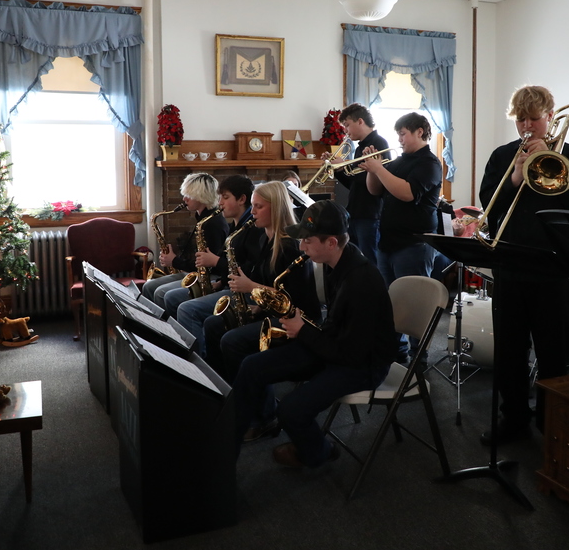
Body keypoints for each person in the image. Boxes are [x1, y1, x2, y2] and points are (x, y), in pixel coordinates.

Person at [232, 200, 400, 469]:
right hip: (336, 346)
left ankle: (319, 452)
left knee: (290, 410)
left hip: (363, 365)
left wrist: (302, 331)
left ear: (331, 242)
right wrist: (303, 327)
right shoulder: (340, 263)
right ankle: (229, 441)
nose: (301, 247)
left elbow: (351, 354)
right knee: (252, 365)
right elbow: (336, 331)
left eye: (307, 241)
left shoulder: (362, 283)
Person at [479, 86, 569, 445]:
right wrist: (516, 176)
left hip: (554, 271)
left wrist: (549, 162)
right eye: (520, 119)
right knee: (509, 350)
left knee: (554, 353)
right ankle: (513, 417)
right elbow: (489, 207)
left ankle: (552, 420)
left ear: (550, 117)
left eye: (534, 118)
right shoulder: (501, 156)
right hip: (510, 266)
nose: (526, 126)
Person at [203, 181, 320, 441]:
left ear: (275, 208)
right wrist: (256, 302)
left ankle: (264, 416)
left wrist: (251, 286)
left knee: (232, 342)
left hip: (297, 323)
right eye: (253, 206)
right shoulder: (267, 238)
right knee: (214, 325)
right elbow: (271, 285)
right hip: (271, 312)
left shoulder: (290, 245)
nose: (252, 212)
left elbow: (295, 299)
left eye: (258, 206)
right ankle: (232, 395)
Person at [359, 111, 441, 364]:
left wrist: (378, 168)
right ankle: (396, 352)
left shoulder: (429, 163)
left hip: (415, 243)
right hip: (389, 243)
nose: (400, 139)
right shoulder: (399, 161)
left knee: (416, 304)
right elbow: (374, 190)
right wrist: (373, 167)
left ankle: (419, 356)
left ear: (419, 131)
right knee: (390, 303)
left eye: (403, 134)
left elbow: (407, 193)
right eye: (398, 135)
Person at [168, 175, 258, 353]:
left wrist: (215, 262)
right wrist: (221, 282)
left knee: (186, 309)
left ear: (242, 199)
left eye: (225, 197)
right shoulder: (236, 225)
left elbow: (247, 269)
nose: (220, 203)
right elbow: (234, 261)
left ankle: (198, 364)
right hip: (227, 284)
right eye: (220, 198)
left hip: (246, 291)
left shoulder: (250, 228)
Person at [141, 172, 228, 308]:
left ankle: (166, 328)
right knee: (149, 286)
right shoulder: (201, 217)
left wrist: (175, 261)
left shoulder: (213, 224)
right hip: (195, 273)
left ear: (201, 196)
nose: (184, 199)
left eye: (189, 195)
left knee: (160, 292)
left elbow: (208, 267)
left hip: (210, 277)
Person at [325, 103, 389, 264]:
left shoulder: (378, 143)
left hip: (370, 214)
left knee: (371, 261)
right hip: (356, 212)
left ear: (360, 121)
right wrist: (338, 169)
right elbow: (354, 183)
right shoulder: (360, 148)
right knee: (355, 260)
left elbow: (377, 180)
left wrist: (345, 164)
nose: (346, 130)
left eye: (347, 125)